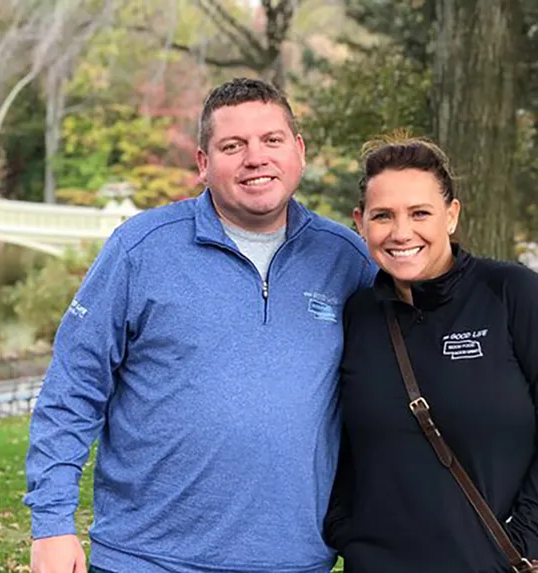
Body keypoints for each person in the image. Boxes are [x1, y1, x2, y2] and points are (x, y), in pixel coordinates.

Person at [24, 77, 377, 573]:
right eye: (233, 146)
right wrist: (52, 523)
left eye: (271, 140)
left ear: (298, 151)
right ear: (203, 164)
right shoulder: (140, 249)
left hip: (294, 560)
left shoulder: (347, 261)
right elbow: (72, 390)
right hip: (145, 558)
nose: (256, 158)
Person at [324, 136, 538, 572]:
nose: (402, 233)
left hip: (494, 564)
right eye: (383, 216)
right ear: (360, 222)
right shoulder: (358, 317)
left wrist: (527, 537)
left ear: (452, 216)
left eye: (420, 213)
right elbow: (341, 441)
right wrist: (345, 528)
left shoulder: (510, 293)